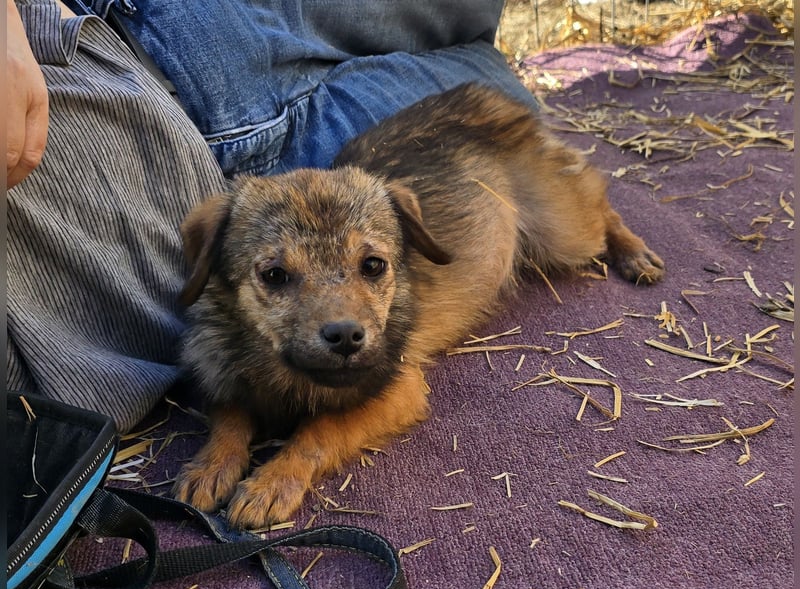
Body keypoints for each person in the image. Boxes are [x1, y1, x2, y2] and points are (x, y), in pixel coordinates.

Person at [7, 0, 538, 431]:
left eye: (372, 269)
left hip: (139, 38)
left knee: (469, 29)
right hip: (227, 137)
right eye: (278, 277)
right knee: (490, 82)